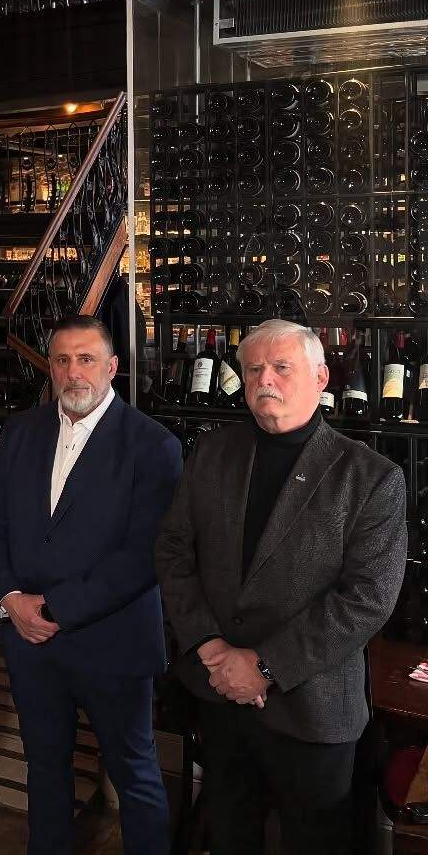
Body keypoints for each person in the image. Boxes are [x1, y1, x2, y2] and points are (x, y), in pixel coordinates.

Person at [156, 319, 407, 855]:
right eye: (253, 369)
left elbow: (368, 599)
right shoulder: (212, 453)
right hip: (220, 695)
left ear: (321, 378)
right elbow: (174, 551)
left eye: (281, 367)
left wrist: (264, 665)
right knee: (229, 836)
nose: (264, 379)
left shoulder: (370, 477)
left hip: (313, 709)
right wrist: (209, 646)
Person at [0, 314, 181, 855]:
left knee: (134, 773)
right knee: (45, 768)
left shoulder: (152, 445)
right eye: (62, 360)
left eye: (86, 359)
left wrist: (54, 608)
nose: (73, 372)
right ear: (50, 367)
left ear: (112, 367)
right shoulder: (21, 432)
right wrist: (10, 600)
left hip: (112, 642)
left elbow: (144, 556)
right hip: (29, 643)